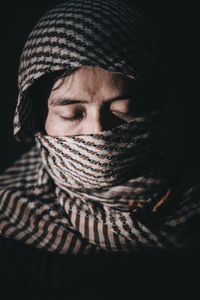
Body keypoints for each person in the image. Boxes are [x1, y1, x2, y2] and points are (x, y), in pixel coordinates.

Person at [0, 0, 199, 257]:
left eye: (123, 110)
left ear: (155, 107)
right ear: (38, 119)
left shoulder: (190, 198)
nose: (98, 131)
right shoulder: (11, 216)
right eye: (71, 114)